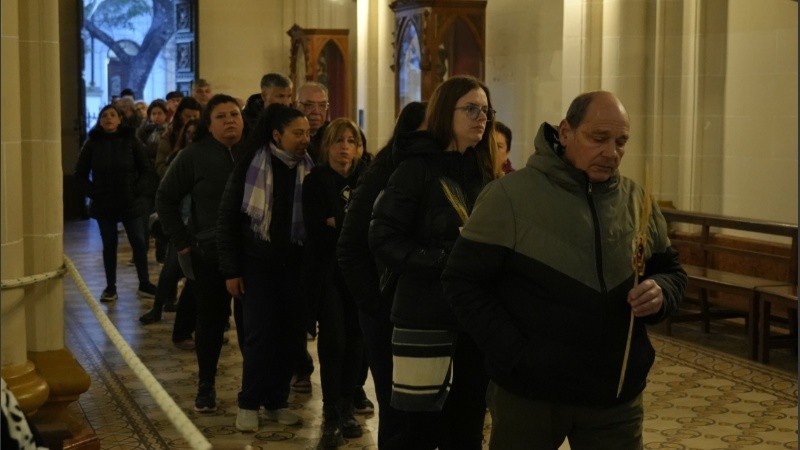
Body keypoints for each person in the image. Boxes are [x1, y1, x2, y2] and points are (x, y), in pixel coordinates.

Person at [441, 91, 688, 450]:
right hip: (531, 396)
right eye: (598, 138)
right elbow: (462, 282)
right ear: (566, 132)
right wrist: (512, 353)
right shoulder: (510, 197)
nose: (611, 152)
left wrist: (662, 289)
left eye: (621, 142)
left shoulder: (636, 200)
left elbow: (671, 269)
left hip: (614, 394)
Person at [368, 75, 498, 449]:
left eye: (485, 110)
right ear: (445, 113)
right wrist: (443, 261)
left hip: (472, 318)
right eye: (470, 109)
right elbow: (382, 237)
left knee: (467, 425)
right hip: (423, 315)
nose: (481, 117)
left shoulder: (483, 172)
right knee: (416, 431)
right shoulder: (415, 169)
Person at [216, 103, 312, 431]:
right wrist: (231, 270)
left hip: (293, 267)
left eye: (307, 133)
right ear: (277, 134)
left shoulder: (308, 168)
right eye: (297, 133)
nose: (304, 139)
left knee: (289, 336)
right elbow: (228, 217)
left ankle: (276, 401)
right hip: (256, 265)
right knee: (259, 335)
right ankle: (248, 402)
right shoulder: (252, 165)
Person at [336, 100, 427, 447]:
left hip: (421, 311)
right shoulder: (383, 171)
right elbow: (350, 247)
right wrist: (375, 305)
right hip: (385, 308)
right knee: (396, 407)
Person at [156, 94, 246, 412]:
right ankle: (206, 385)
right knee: (210, 320)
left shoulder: (253, 152)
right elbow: (165, 198)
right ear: (208, 124)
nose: (229, 120)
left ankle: (253, 389)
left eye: (234, 114)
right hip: (209, 252)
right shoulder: (194, 155)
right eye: (220, 116)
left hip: (251, 252)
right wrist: (181, 242)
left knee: (251, 324)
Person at [302, 118, 367, 446]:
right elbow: (316, 231)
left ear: (359, 148)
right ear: (326, 147)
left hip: (357, 274)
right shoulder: (315, 181)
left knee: (356, 342)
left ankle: (346, 407)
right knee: (334, 342)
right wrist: (346, 223)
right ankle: (330, 409)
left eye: (350, 141)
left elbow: (369, 226)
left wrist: (337, 221)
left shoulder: (365, 180)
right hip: (326, 272)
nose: (344, 147)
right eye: (337, 141)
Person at [74, 104, 157, 301]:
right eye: (104, 115)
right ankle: (110, 287)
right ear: (100, 120)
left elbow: (146, 170)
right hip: (104, 203)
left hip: (130, 201)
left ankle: (144, 282)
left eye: (112, 115)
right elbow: (80, 175)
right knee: (109, 244)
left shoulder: (131, 140)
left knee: (138, 241)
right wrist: (95, 193)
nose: (108, 118)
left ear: (120, 119)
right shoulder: (92, 143)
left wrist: (135, 191)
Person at [154, 97, 203, 178]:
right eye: (188, 116)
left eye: (195, 116)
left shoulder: (205, 133)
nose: (191, 120)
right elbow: (160, 165)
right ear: (180, 115)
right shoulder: (170, 133)